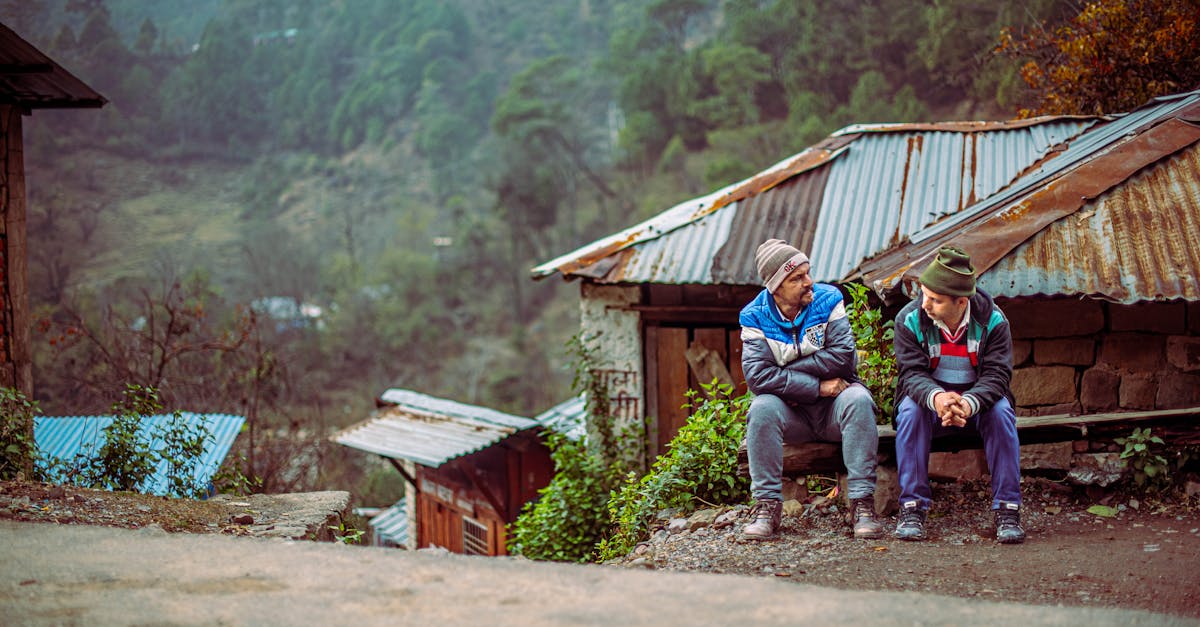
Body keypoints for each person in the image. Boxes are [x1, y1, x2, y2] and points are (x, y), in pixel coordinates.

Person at [739, 239, 882, 540]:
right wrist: (817, 387)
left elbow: (843, 357)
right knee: (761, 407)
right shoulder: (753, 316)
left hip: (835, 409)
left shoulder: (828, 299)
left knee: (858, 398)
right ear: (776, 287)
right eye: (797, 278)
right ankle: (766, 506)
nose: (809, 282)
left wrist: (784, 373)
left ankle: (862, 504)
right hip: (792, 414)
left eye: (807, 272)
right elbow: (757, 378)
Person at [892, 245, 1025, 544]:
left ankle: (1008, 508)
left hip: (977, 406)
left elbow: (997, 376)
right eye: (924, 295)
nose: (924, 304)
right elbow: (911, 374)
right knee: (909, 412)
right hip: (929, 403)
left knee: (1002, 411)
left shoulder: (994, 321)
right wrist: (938, 398)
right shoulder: (909, 319)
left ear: (961, 301)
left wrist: (967, 403)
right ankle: (913, 507)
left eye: (935, 300)